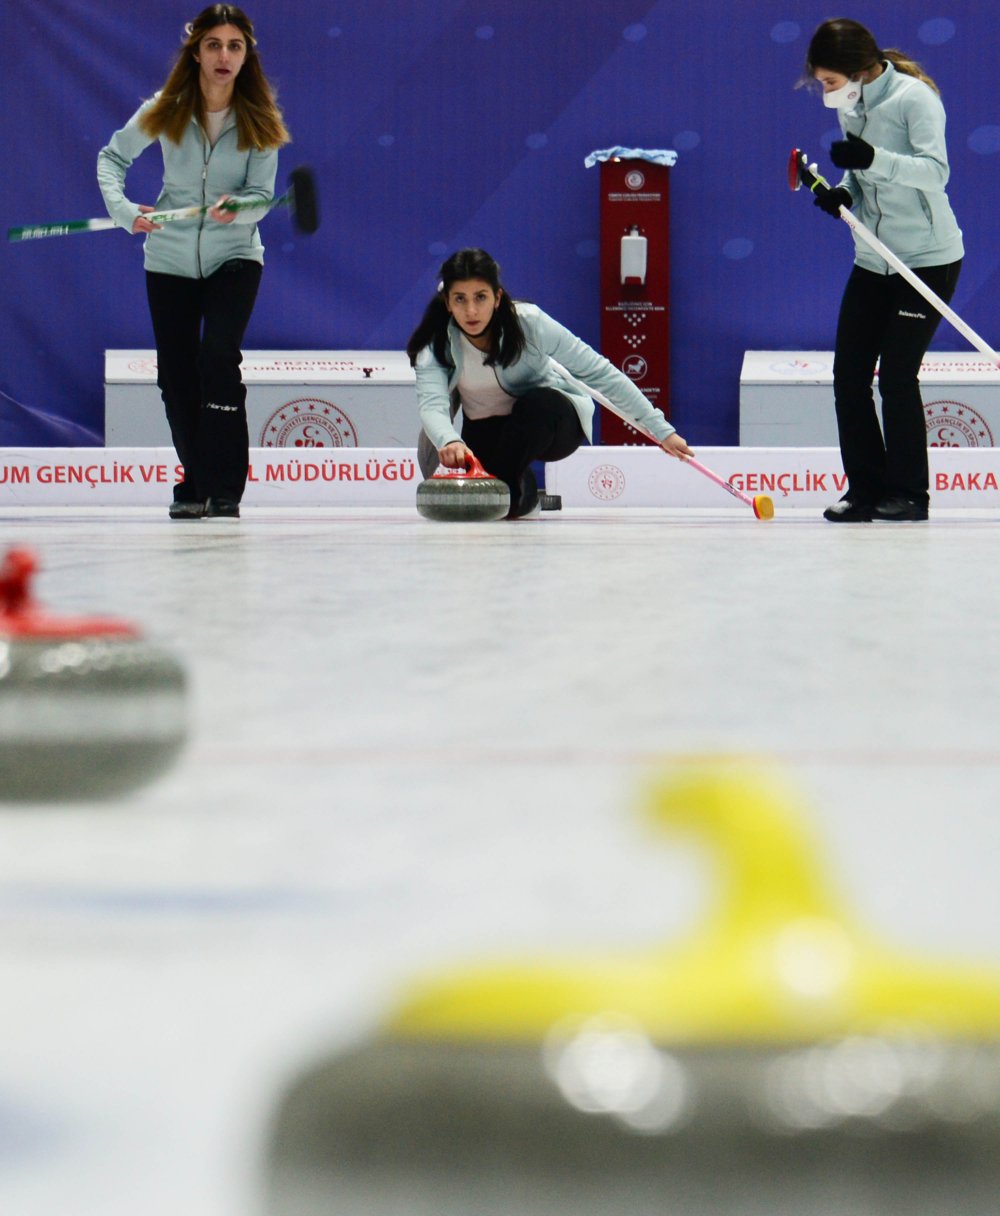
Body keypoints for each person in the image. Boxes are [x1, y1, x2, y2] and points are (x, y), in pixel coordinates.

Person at [97, 4, 290, 520]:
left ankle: (225, 486)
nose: (224, 56)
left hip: (236, 257)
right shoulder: (165, 108)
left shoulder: (261, 120)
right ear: (197, 51)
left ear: (247, 55)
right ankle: (196, 481)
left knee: (218, 357)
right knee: (176, 374)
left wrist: (240, 209)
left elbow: (263, 196)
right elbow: (111, 158)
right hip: (168, 259)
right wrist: (122, 212)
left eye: (235, 46)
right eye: (213, 45)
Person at [803, 18, 963, 523]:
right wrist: (845, 189)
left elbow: (935, 173)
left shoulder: (915, 99)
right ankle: (865, 490)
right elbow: (858, 169)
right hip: (873, 258)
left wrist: (874, 159)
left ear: (856, 68)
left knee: (896, 376)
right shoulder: (852, 102)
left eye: (830, 82)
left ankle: (911, 495)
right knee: (848, 375)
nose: (826, 93)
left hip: (927, 259)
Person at [407, 248, 692, 518]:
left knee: (536, 407)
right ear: (447, 302)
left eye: (480, 297)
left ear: (497, 297)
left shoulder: (529, 322)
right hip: (488, 427)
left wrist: (660, 430)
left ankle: (506, 491)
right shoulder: (434, 346)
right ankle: (523, 494)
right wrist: (450, 440)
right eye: (460, 299)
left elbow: (600, 373)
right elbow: (433, 405)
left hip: (553, 422)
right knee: (502, 490)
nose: (471, 311)